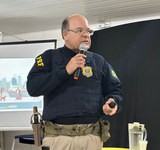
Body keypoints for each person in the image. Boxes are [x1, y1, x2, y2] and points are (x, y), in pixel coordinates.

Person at [27, 14, 123, 150]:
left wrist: (113, 102)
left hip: (92, 138)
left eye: (88, 31)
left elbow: (115, 89)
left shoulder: (98, 61)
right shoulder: (48, 58)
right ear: (65, 34)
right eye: (80, 30)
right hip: (59, 139)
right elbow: (33, 87)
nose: (86, 35)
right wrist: (65, 70)